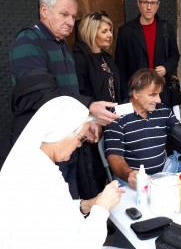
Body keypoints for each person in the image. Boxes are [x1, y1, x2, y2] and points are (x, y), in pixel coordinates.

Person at [8, 0, 119, 198]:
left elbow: (69, 95)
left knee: (70, 203)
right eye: (64, 14)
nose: (70, 21)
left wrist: (85, 122)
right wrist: (88, 106)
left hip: (67, 145)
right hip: (42, 149)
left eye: (73, 16)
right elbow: (39, 94)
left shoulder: (64, 47)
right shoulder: (28, 40)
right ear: (44, 10)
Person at [0, 96, 125, 249]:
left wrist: (87, 205)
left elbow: (58, 214)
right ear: (62, 133)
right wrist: (101, 208)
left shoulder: (36, 163)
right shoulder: (34, 178)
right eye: (80, 138)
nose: (79, 145)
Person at [73, 12, 121, 198]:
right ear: (92, 32)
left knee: (108, 167)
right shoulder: (79, 57)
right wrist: (91, 120)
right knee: (92, 172)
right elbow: (79, 92)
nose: (109, 34)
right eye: (104, 31)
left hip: (110, 123)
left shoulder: (107, 58)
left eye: (110, 30)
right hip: (91, 125)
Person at [115, 0, 180, 107]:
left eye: (153, 3)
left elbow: (174, 55)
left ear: (158, 5)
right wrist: (125, 97)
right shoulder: (126, 31)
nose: (149, 7)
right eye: (145, 2)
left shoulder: (166, 28)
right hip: (137, 94)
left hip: (161, 92)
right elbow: (120, 67)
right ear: (138, 3)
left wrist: (166, 67)